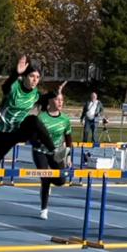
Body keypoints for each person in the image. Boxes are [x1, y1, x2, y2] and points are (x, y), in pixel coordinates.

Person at [0, 55, 62, 170]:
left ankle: (53, 151)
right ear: (25, 77)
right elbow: (5, 87)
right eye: (32, 76)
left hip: (20, 130)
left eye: (37, 77)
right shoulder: (15, 87)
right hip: (5, 133)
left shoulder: (35, 94)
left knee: (33, 120)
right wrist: (16, 73)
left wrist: (53, 93)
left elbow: (43, 99)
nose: (35, 80)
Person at [32, 92, 74, 220]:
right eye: (57, 100)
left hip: (56, 153)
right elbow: (33, 138)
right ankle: (44, 209)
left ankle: (48, 180)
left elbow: (68, 140)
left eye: (62, 100)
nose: (61, 102)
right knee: (45, 178)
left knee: (61, 181)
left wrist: (68, 157)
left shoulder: (65, 119)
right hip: (40, 151)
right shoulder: (41, 118)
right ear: (50, 102)